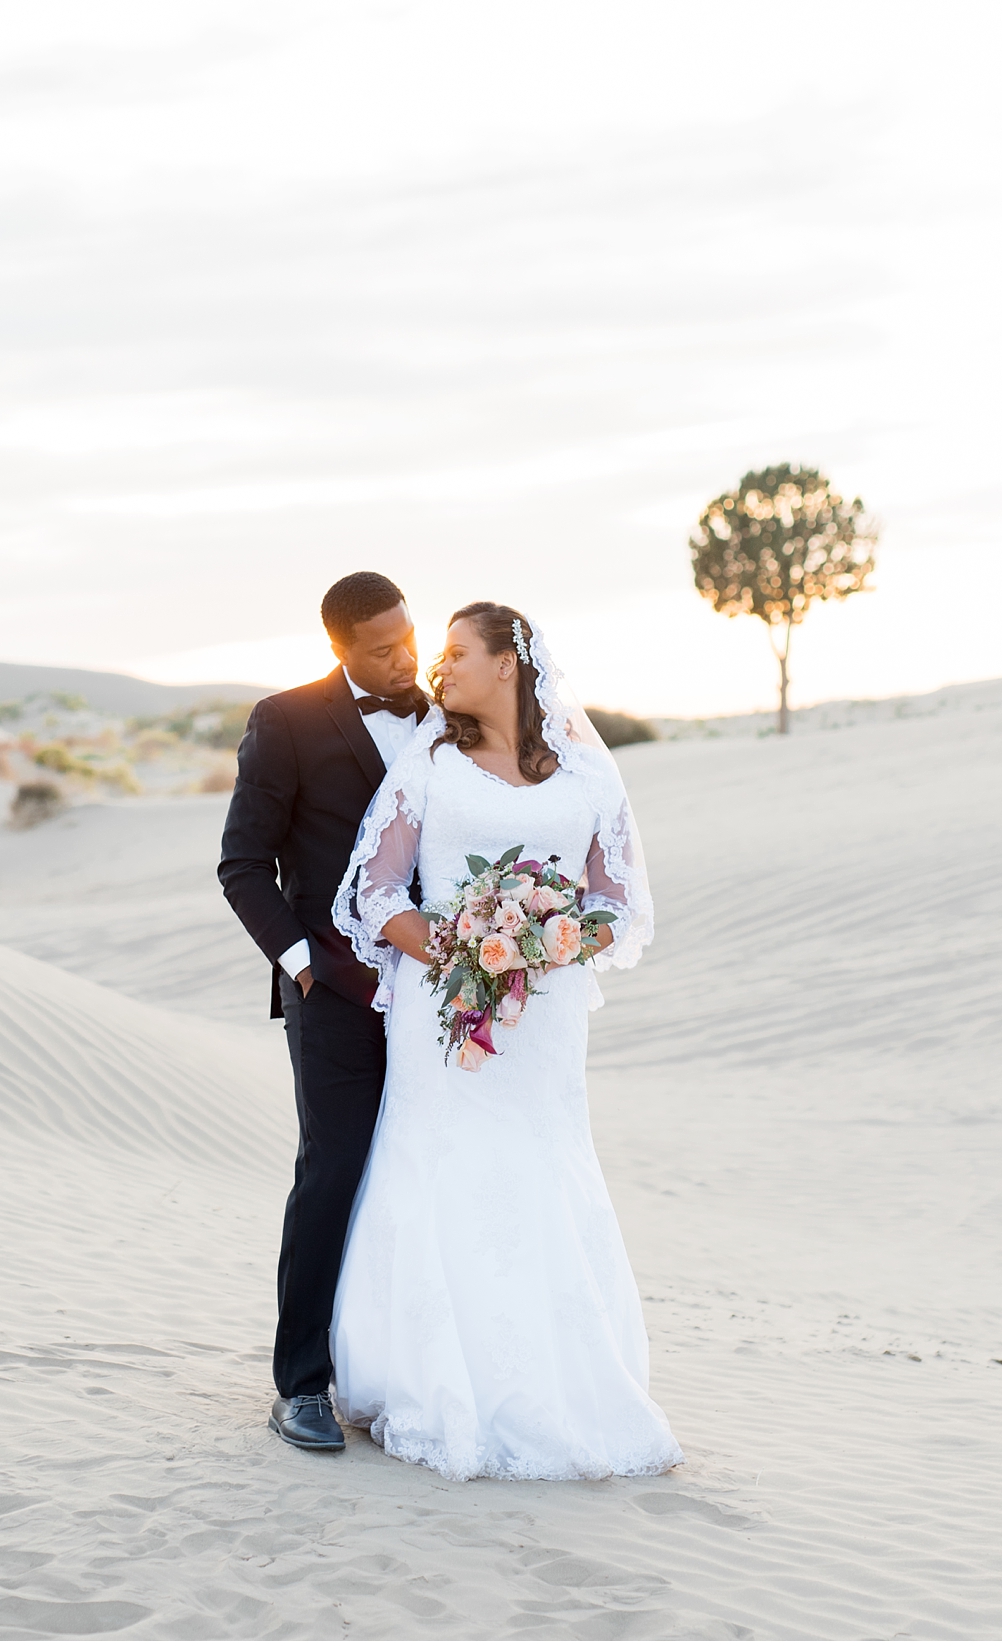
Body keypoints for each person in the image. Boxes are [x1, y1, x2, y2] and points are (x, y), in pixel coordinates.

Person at [328, 602, 683, 1481]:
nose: (438, 668)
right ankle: (432, 1377)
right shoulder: (431, 768)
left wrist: (548, 939)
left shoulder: (588, 779)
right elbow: (377, 892)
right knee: (443, 1170)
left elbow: (615, 903)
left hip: (544, 1020)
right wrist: (455, 947)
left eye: (456, 652)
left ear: (509, 663)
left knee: (538, 1173)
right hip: (443, 1007)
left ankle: (555, 1380)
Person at [217, 571, 428, 1453]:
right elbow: (242, 864)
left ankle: (403, 1370)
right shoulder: (287, 721)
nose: (404, 659)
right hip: (333, 994)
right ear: (339, 650)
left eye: (408, 639)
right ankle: (300, 1384)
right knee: (333, 1172)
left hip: (434, 994)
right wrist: (301, 965)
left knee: (422, 1175)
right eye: (382, 650)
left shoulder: (449, 719)